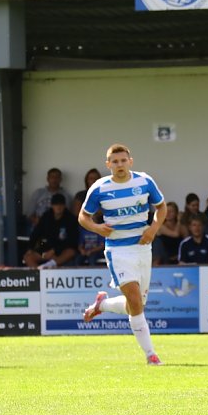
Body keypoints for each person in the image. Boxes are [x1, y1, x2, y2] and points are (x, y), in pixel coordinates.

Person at [79, 144, 166, 366]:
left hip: (143, 247)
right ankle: (151, 355)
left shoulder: (144, 181)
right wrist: (98, 228)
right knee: (135, 301)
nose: (119, 165)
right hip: (118, 250)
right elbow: (83, 217)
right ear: (108, 164)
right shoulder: (99, 188)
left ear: (130, 161)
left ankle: (102, 305)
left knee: (136, 305)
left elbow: (162, 208)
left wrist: (153, 229)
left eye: (123, 160)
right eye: (114, 162)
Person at [22, 193, 79, 269]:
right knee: (28, 257)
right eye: (56, 204)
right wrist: (30, 248)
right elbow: (36, 233)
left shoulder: (70, 219)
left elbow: (72, 240)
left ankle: (49, 266)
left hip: (63, 250)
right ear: (52, 206)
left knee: (71, 252)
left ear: (64, 206)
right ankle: (39, 275)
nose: (58, 207)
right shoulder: (46, 217)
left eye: (61, 204)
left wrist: (54, 250)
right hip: (46, 249)